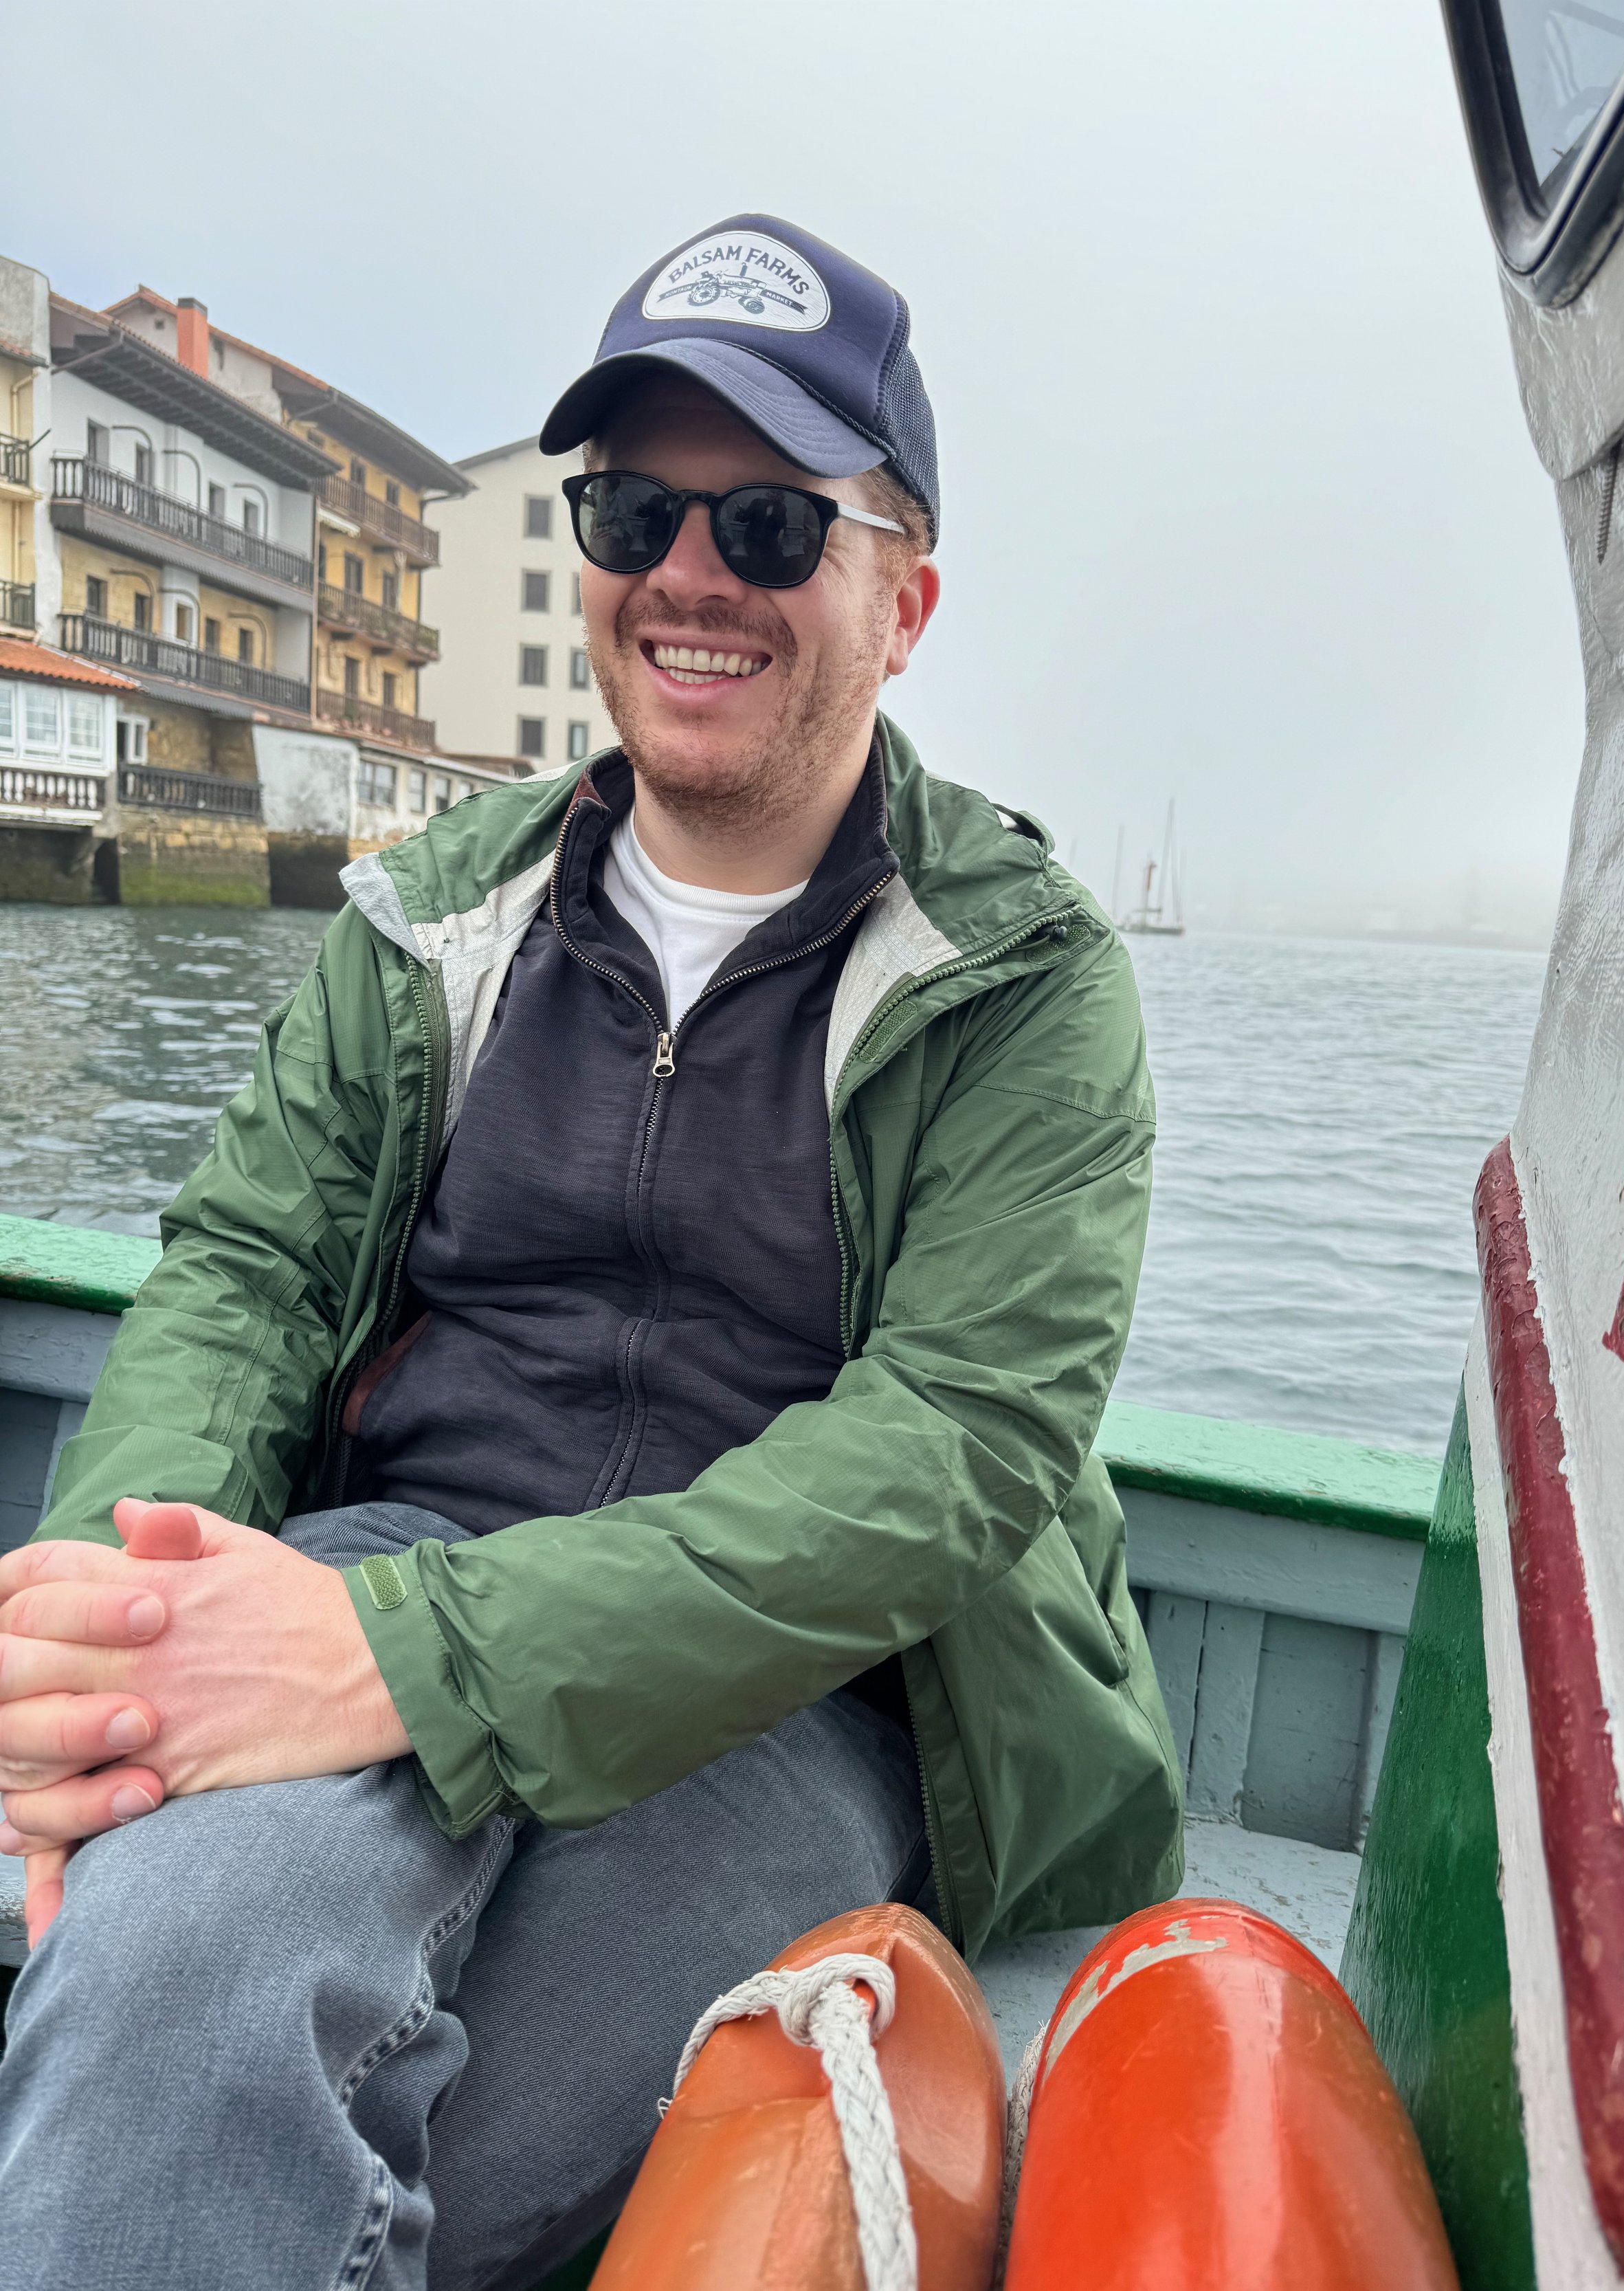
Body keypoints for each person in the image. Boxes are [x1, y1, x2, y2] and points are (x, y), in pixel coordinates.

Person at [0, 215, 1179, 2290]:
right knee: (170, 1977)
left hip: (794, 1689)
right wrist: (114, 1629)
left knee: (443, 2164)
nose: (691, 573)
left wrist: (403, 1664)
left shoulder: (1020, 977)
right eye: (636, 507)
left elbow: (953, 1453)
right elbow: (244, 1274)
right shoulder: (433, 918)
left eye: (771, 521)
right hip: (393, 1559)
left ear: (903, 600)